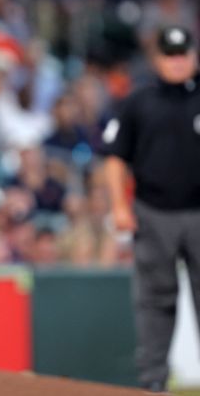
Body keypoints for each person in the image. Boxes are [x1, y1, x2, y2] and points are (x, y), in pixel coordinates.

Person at [103, 26, 200, 392]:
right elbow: (114, 159)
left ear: (193, 55)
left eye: (182, 54)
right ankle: (153, 383)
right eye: (169, 55)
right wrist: (118, 206)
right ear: (157, 58)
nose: (177, 62)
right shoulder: (138, 101)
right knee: (154, 301)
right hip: (153, 211)